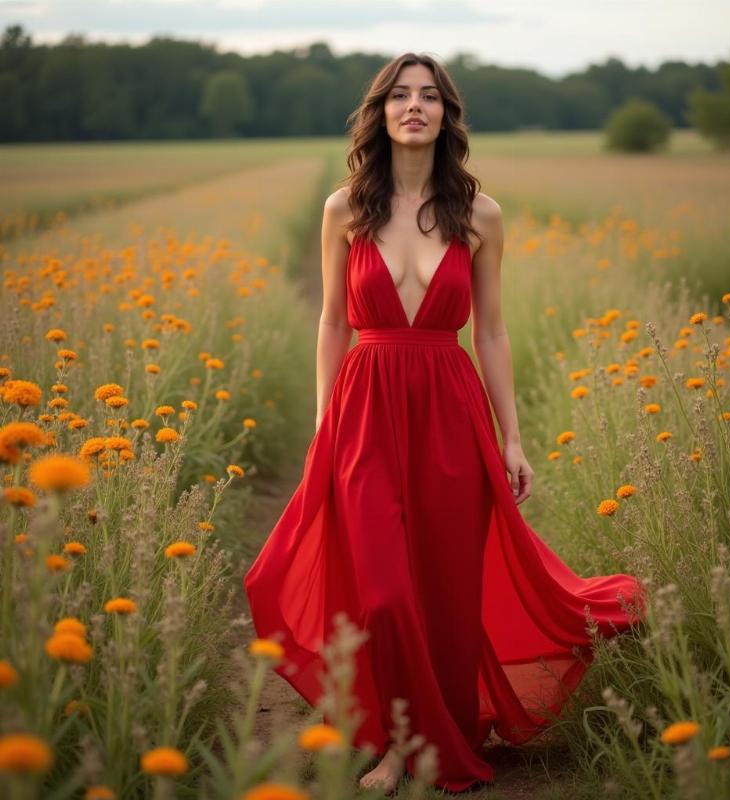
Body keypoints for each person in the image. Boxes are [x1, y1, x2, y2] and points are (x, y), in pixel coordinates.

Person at [244, 52, 646, 795]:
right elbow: (333, 323)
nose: (415, 106)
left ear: (446, 115)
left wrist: (513, 437)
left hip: (450, 412)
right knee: (387, 595)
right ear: (381, 113)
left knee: (446, 588)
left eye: (429, 96)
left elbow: (491, 333)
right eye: (400, 95)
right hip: (364, 410)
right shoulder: (345, 209)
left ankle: (448, 733)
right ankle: (398, 744)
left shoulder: (480, 215)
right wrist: (328, 425)